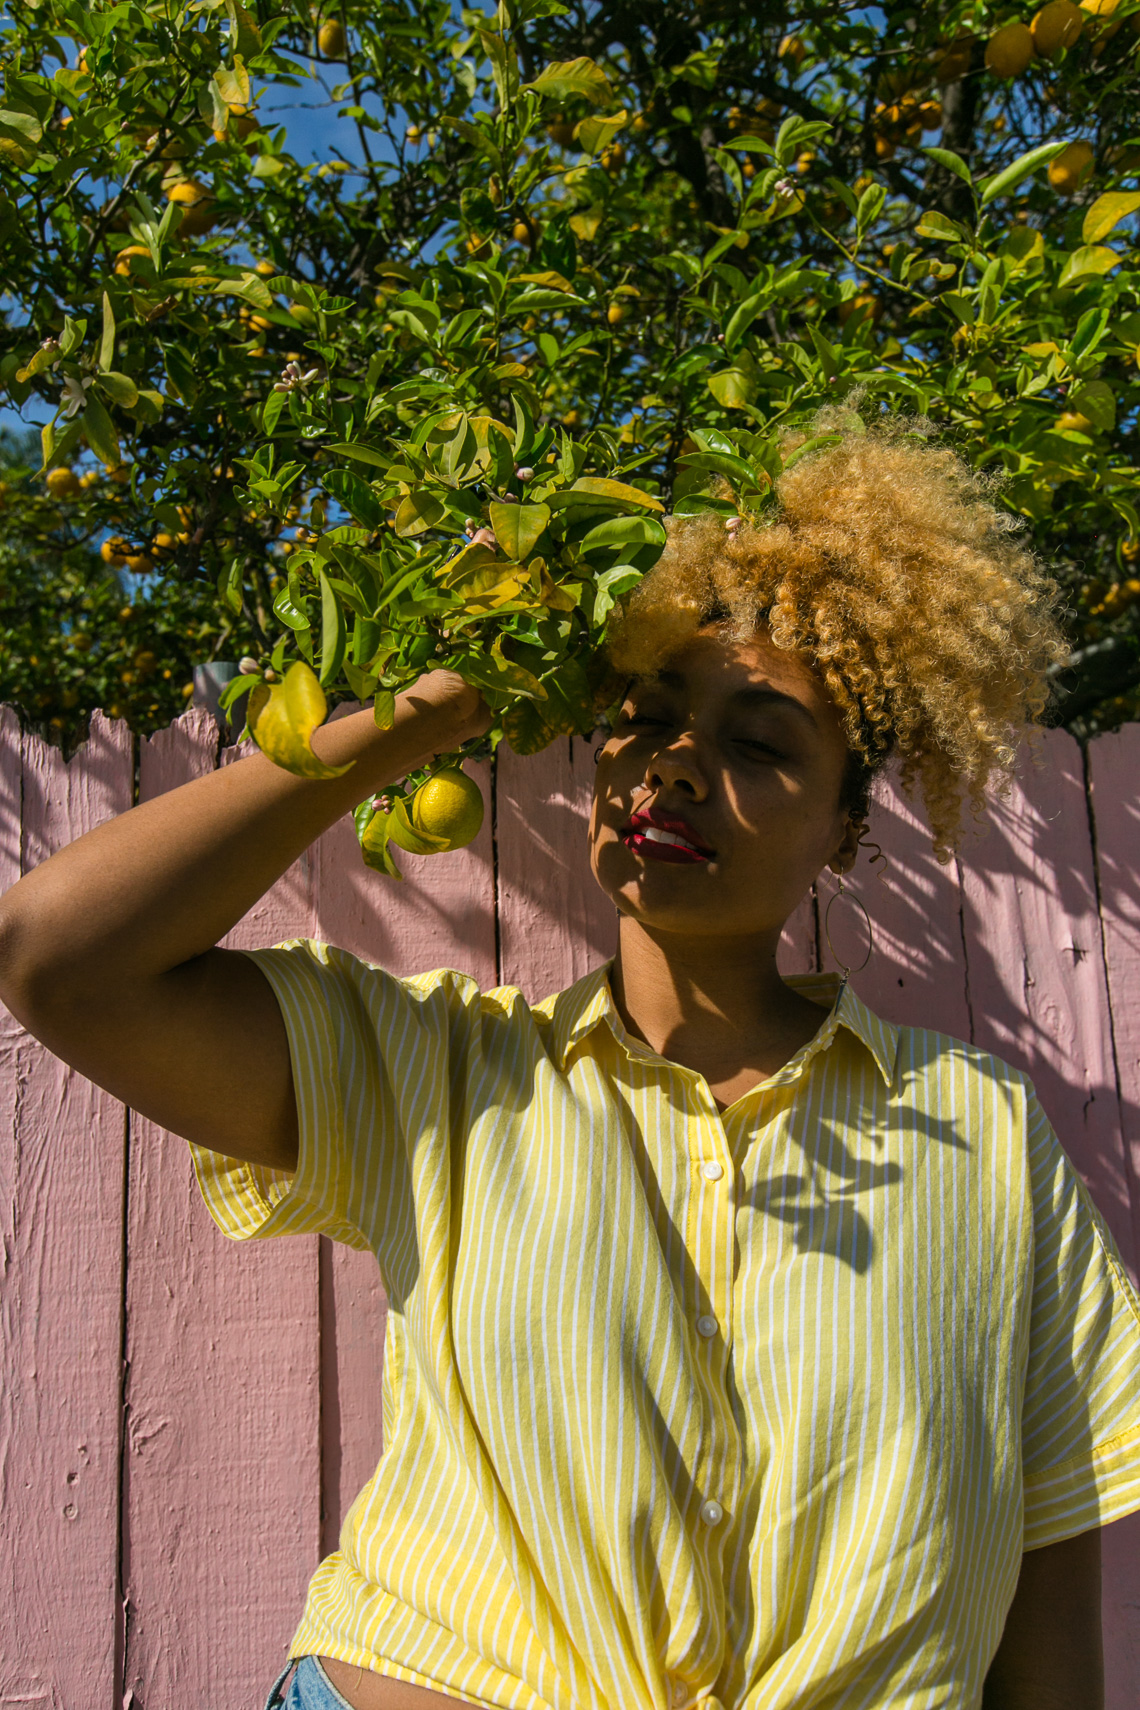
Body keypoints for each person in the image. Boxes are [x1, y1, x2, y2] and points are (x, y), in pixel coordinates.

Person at [2, 424, 1138, 1710]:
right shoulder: (439, 1068)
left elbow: (1048, 1599)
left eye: (761, 745)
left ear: (846, 827)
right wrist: (414, 722)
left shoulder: (980, 1130)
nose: (676, 764)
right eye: (642, 720)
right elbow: (59, 959)